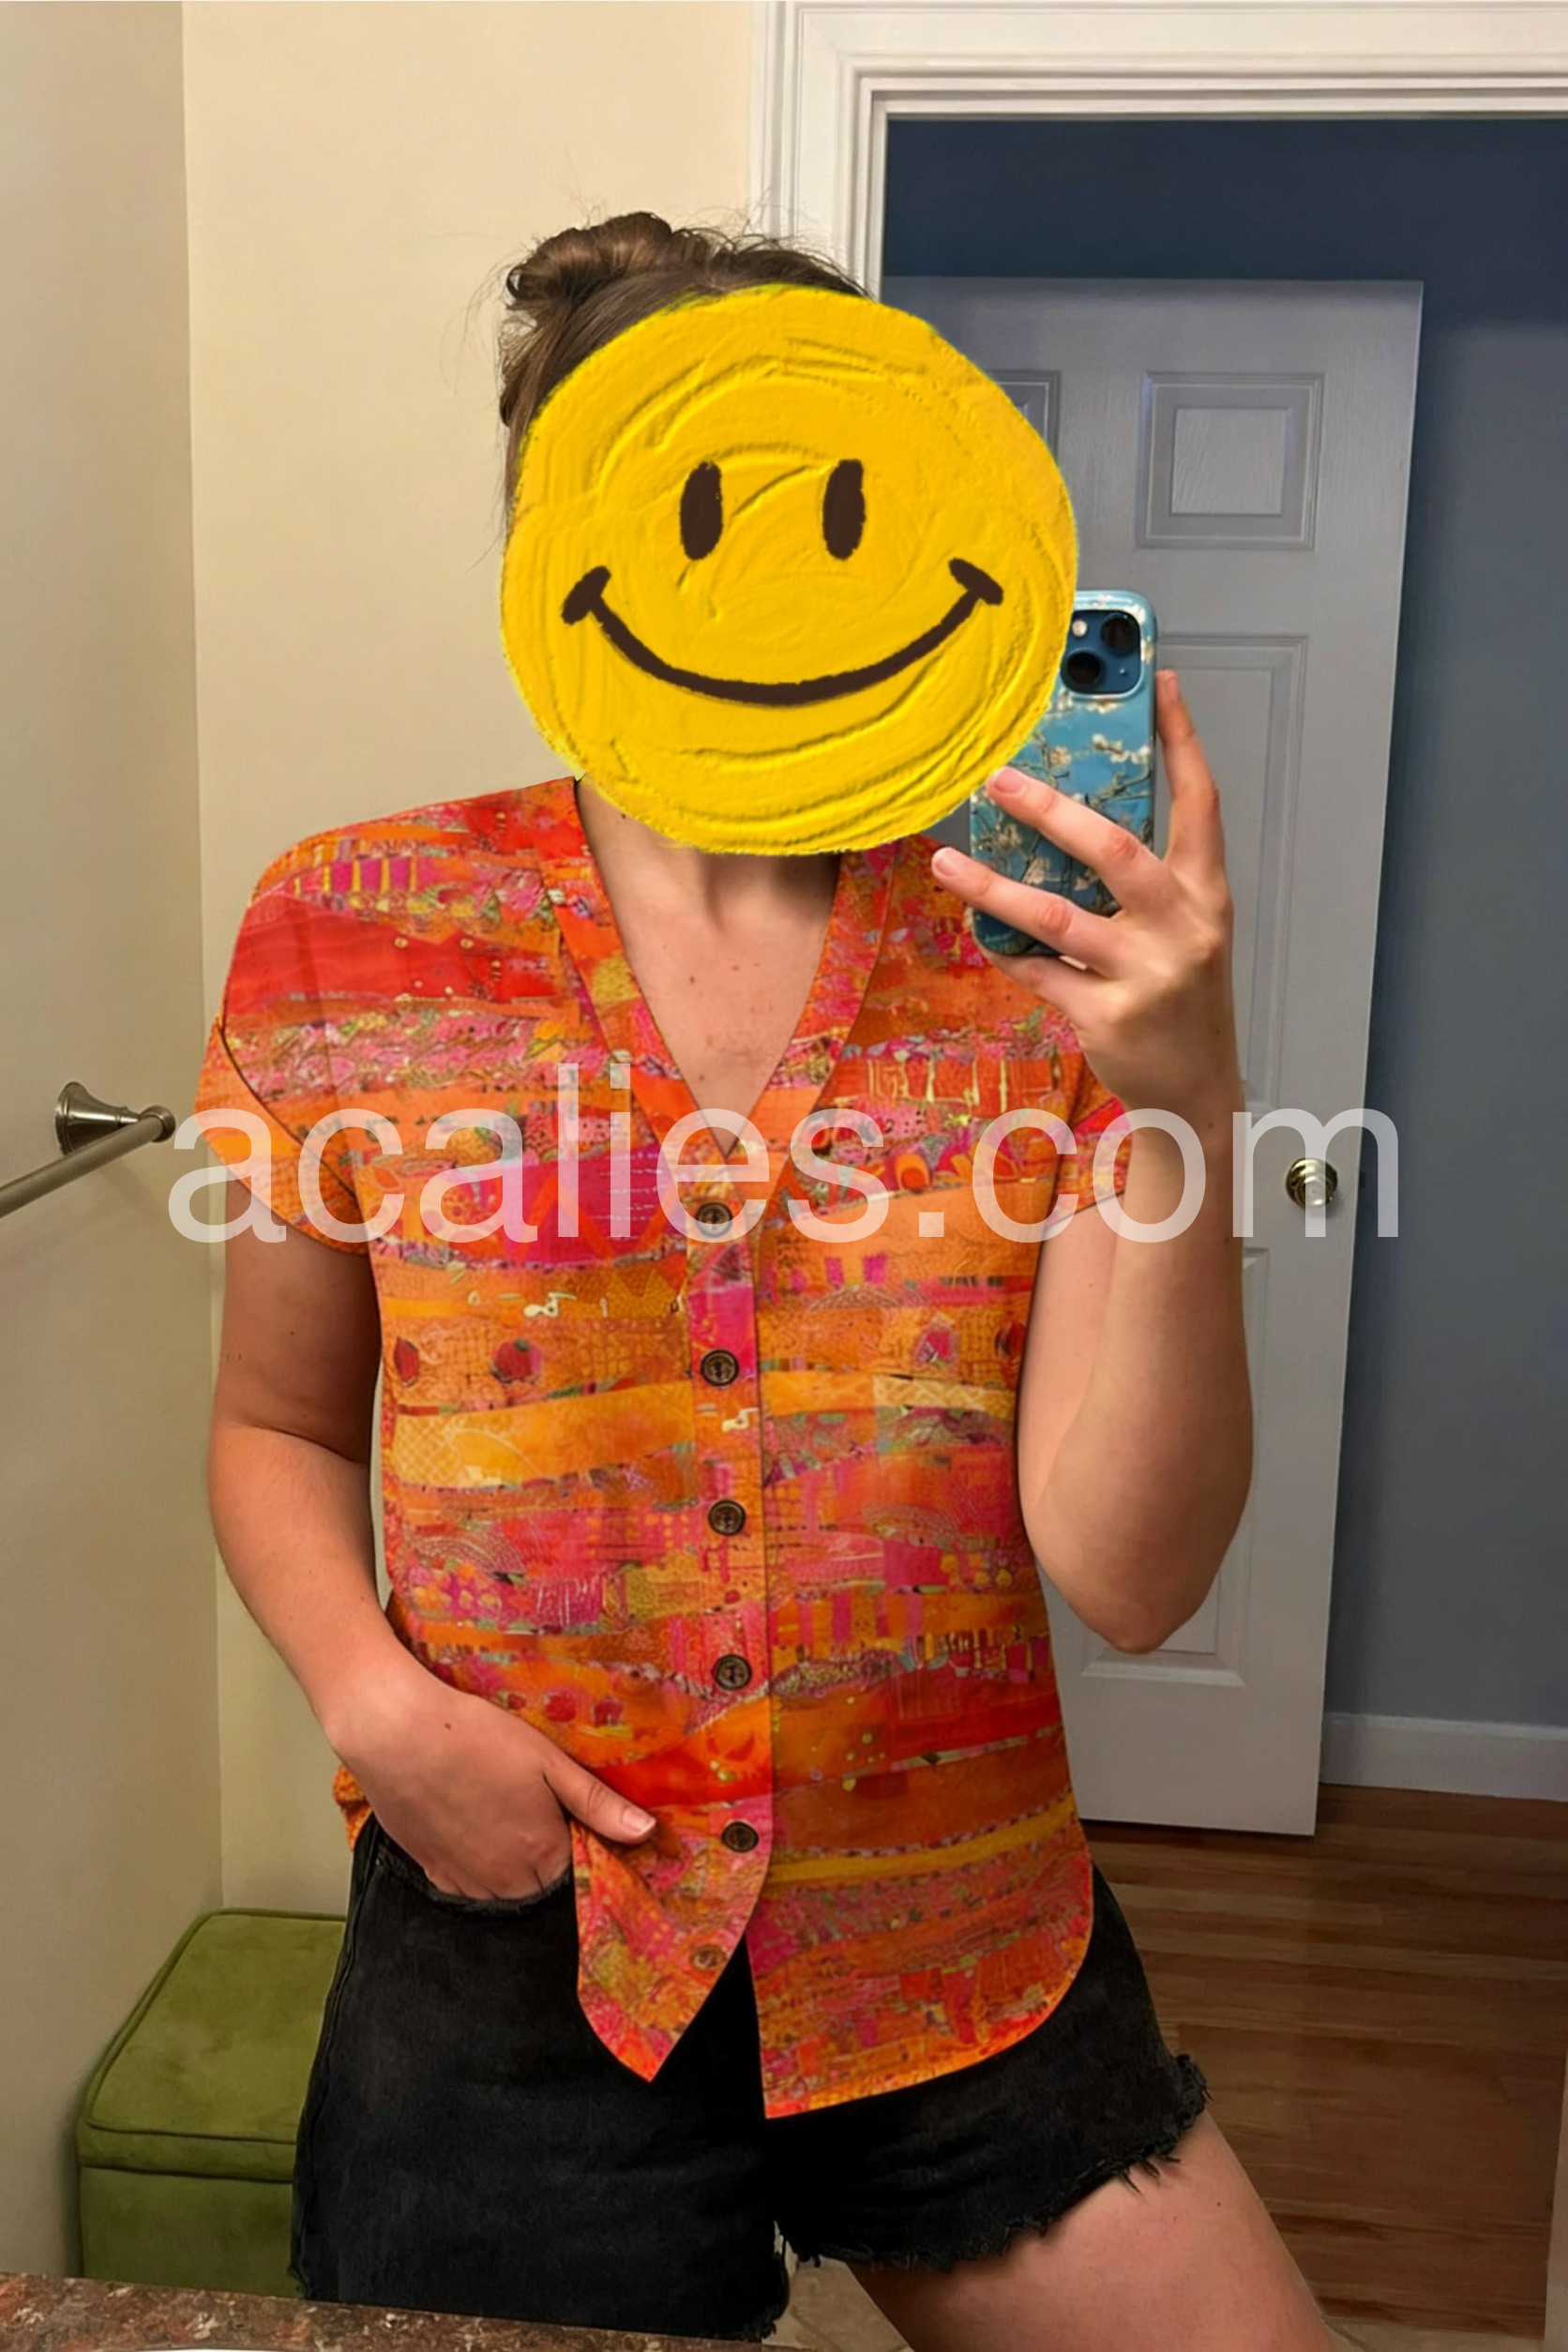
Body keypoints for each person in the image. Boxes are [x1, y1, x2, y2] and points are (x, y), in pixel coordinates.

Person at [196, 213, 1332, 2351]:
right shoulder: (349, 923)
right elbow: (271, 1423)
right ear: (553, 541)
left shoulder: (1030, 956)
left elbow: (1133, 1572)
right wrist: (373, 1708)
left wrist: (1181, 1097)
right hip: (512, 1948)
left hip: (961, 1939)